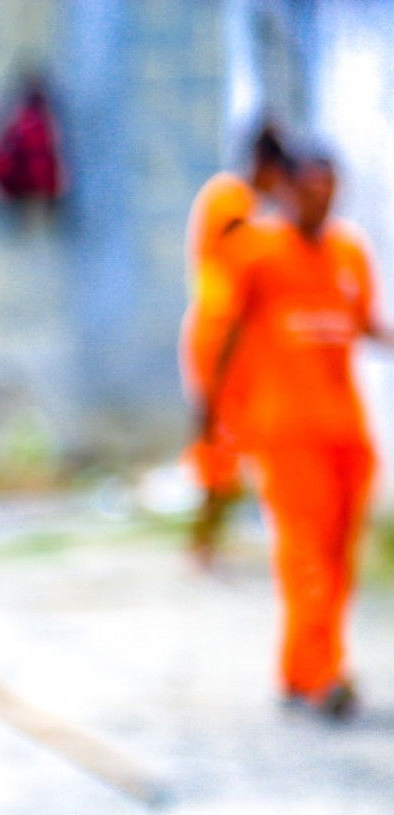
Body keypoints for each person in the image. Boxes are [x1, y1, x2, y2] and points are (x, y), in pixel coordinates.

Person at [200, 149, 382, 718]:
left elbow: (363, 320)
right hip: (285, 430)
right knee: (304, 555)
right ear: (288, 191)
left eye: (330, 187)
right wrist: (212, 409)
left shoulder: (349, 251)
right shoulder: (253, 253)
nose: (321, 198)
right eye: (310, 187)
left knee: (337, 560)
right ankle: (324, 675)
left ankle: (297, 669)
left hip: (346, 431)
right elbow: (223, 333)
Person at [178, 125, 295, 566]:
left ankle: (208, 540)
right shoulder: (233, 203)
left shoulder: (234, 200)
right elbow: (242, 268)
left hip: (233, 338)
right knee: (218, 441)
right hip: (220, 337)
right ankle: (203, 542)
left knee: (232, 442)